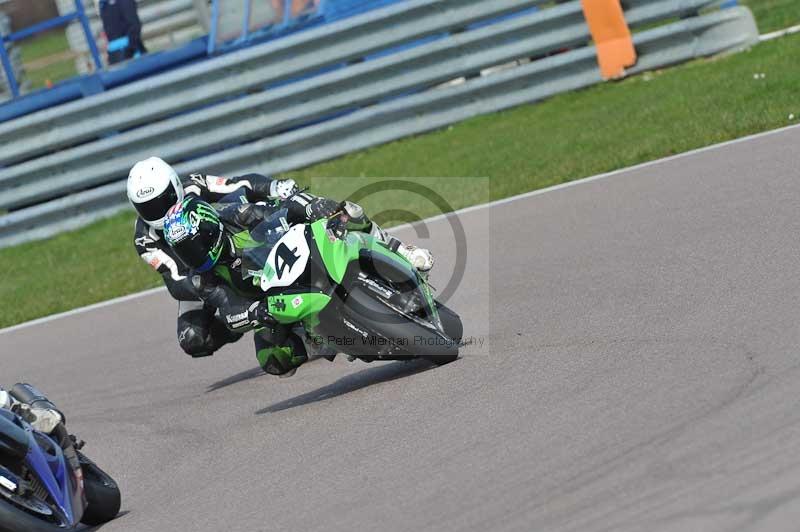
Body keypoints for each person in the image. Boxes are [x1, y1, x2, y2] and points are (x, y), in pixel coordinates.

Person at [127, 156, 433, 362]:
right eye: (148, 207)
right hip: (198, 276)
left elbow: (241, 185)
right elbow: (177, 281)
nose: (158, 210)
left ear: (175, 187)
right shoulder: (146, 239)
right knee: (200, 339)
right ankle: (312, 336)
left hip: (234, 234)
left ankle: (398, 249)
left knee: (322, 209)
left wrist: (278, 190)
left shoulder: (198, 188)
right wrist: (238, 307)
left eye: (163, 200)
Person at [162, 195, 425, 376]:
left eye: (195, 245)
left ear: (209, 228)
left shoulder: (238, 215)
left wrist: (310, 208)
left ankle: (401, 250)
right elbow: (229, 310)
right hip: (274, 301)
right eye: (185, 252)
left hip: (300, 256)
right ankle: (327, 340)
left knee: (346, 213)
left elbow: (284, 207)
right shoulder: (202, 279)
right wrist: (254, 312)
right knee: (273, 360)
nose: (194, 255)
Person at [97, 0, 147, 65]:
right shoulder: (103, 4)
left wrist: (129, 50)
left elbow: (135, 26)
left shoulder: (123, 2)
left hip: (130, 52)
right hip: (115, 55)